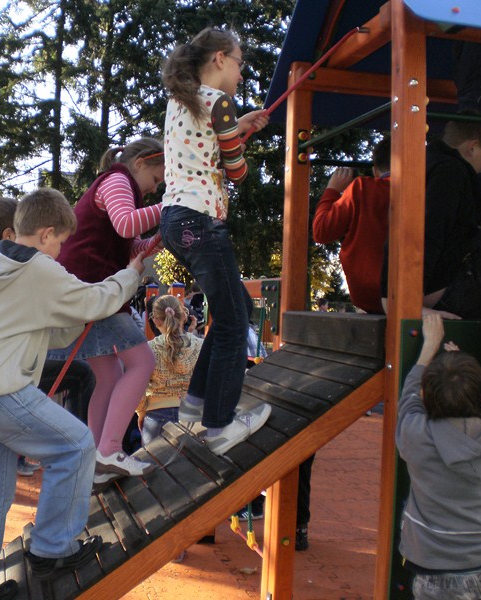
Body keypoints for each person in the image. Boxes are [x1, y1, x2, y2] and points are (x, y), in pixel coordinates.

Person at [0, 188, 145, 600]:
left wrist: (79, 315)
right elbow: (96, 299)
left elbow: (48, 328)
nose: (62, 251)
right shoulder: (37, 268)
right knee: (76, 446)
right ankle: (52, 548)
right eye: (61, 242)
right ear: (46, 233)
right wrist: (132, 273)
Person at [159, 27, 272, 455]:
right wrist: (239, 137)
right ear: (220, 58)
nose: (241, 74)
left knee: (235, 306)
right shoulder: (220, 102)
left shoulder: (182, 101)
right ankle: (220, 425)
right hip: (201, 219)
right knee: (232, 322)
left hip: (176, 219)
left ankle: (195, 402)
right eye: (240, 63)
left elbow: (203, 144)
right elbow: (236, 170)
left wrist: (238, 128)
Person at [53, 137, 165, 479]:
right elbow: (126, 224)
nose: (155, 189)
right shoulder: (117, 180)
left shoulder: (122, 188)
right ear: (140, 163)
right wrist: (173, 207)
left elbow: (129, 242)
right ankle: (110, 449)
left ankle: (97, 457)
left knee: (110, 374)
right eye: (156, 179)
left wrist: (155, 241)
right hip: (93, 289)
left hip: (88, 289)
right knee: (142, 362)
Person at [397, 313, 481, 599]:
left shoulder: (416, 435)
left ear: (426, 398)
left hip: (437, 576)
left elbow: (409, 399)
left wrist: (429, 348)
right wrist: (459, 367)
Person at [382, 117, 481, 319]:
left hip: (432, 281)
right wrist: (407, 305)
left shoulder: (427, 163)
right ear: (472, 147)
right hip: (441, 293)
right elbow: (429, 233)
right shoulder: (450, 173)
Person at [313, 139, 391, 314]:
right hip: (413, 291)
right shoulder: (423, 190)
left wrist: (332, 190)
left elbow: (321, 231)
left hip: (368, 295)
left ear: (375, 170)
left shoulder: (362, 188)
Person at [136, 295, 204, 447]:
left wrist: (141, 412)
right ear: (184, 316)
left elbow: (137, 388)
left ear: (155, 321)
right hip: (193, 416)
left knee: (153, 461)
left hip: (156, 416)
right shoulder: (201, 346)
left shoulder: (148, 349)